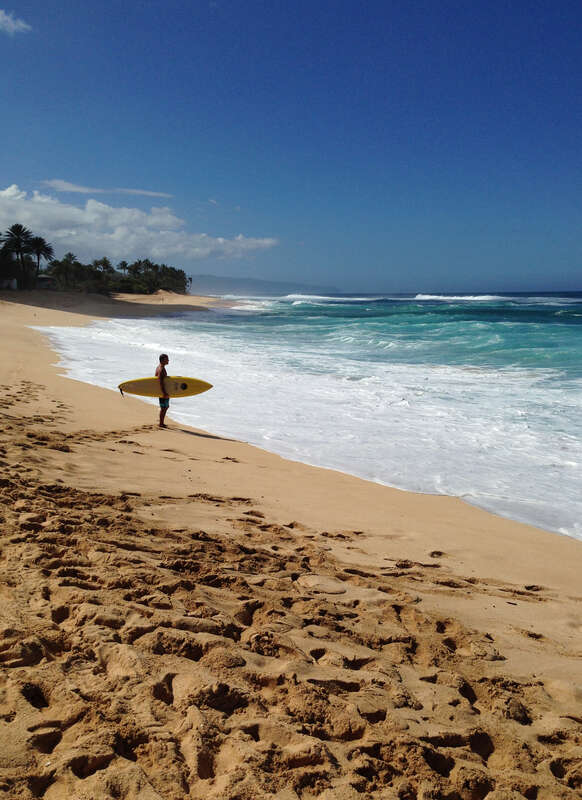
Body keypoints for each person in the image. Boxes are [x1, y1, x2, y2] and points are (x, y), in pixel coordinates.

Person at [155, 353, 170, 428]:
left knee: (164, 407)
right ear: (163, 360)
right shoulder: (161, 369)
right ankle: (161, 423)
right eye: (167, 359)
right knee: (164, 407)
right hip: (162, 391)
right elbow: (160, 382)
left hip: (160, 391)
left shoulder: (158, 367)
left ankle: (161, 422)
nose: (168, 360)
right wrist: (164, 393)